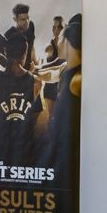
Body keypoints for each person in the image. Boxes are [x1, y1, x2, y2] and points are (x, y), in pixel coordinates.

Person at [0, 29, 42, 168]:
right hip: (24, 152)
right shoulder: (36, 83)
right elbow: (35, 121)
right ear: (25, 54)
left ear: (5, 52)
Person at [37, 14, 82, 175]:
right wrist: (30, 74)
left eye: (61, 37)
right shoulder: (65, 68)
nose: (58, 40)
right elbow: (51, 74)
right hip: (59, 144)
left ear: (68, 41)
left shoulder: (79, 78)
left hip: (69, 147)